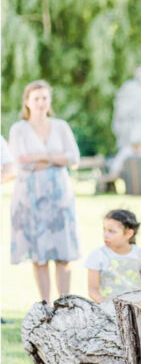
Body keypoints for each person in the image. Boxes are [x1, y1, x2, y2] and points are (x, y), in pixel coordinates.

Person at [8, 80, 81, 304]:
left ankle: (65, 302)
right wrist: (54, 158)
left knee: (63, 252)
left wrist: (40, 158)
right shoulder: (18, 129)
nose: (41, 103)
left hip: (60, 197)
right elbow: (20, 161)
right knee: (39, 255)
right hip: (30, 196)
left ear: (49, 101)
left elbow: (73, 158)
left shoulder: (60, 126)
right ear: (27, 102)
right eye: (36, 98)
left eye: (44, 98)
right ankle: (45, 304)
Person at [85, 209, 141, 315]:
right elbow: (92, 290)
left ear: (128, 233)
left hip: (136, 311)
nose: (106, 234)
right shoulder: (98, 255)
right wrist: (106, 305)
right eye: (104, 229)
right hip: (108, 311)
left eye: (111, 231)